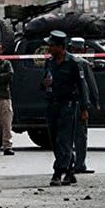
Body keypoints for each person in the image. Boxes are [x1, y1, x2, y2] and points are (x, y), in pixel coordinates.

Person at [41, 31, 90, 186]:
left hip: (68, 106)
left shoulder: (73, 63)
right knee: (55, 140)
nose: (49, 48)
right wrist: (44, 84)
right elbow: (43, 82)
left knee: (64, 139)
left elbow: (82, 86)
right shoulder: (49, 62)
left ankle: (58, 172)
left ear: (61, 47)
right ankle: (70, 169)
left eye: (52, 46)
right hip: (52, 104)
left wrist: (84, 108)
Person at [67, 37, 99, 174]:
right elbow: (91, 85)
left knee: (68, 136)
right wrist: (94, 102)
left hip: (68, 104)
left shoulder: (64, 62)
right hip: (78, 104)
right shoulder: (82, 63)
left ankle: (70, 163)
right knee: (80, 136)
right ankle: (78, 164)